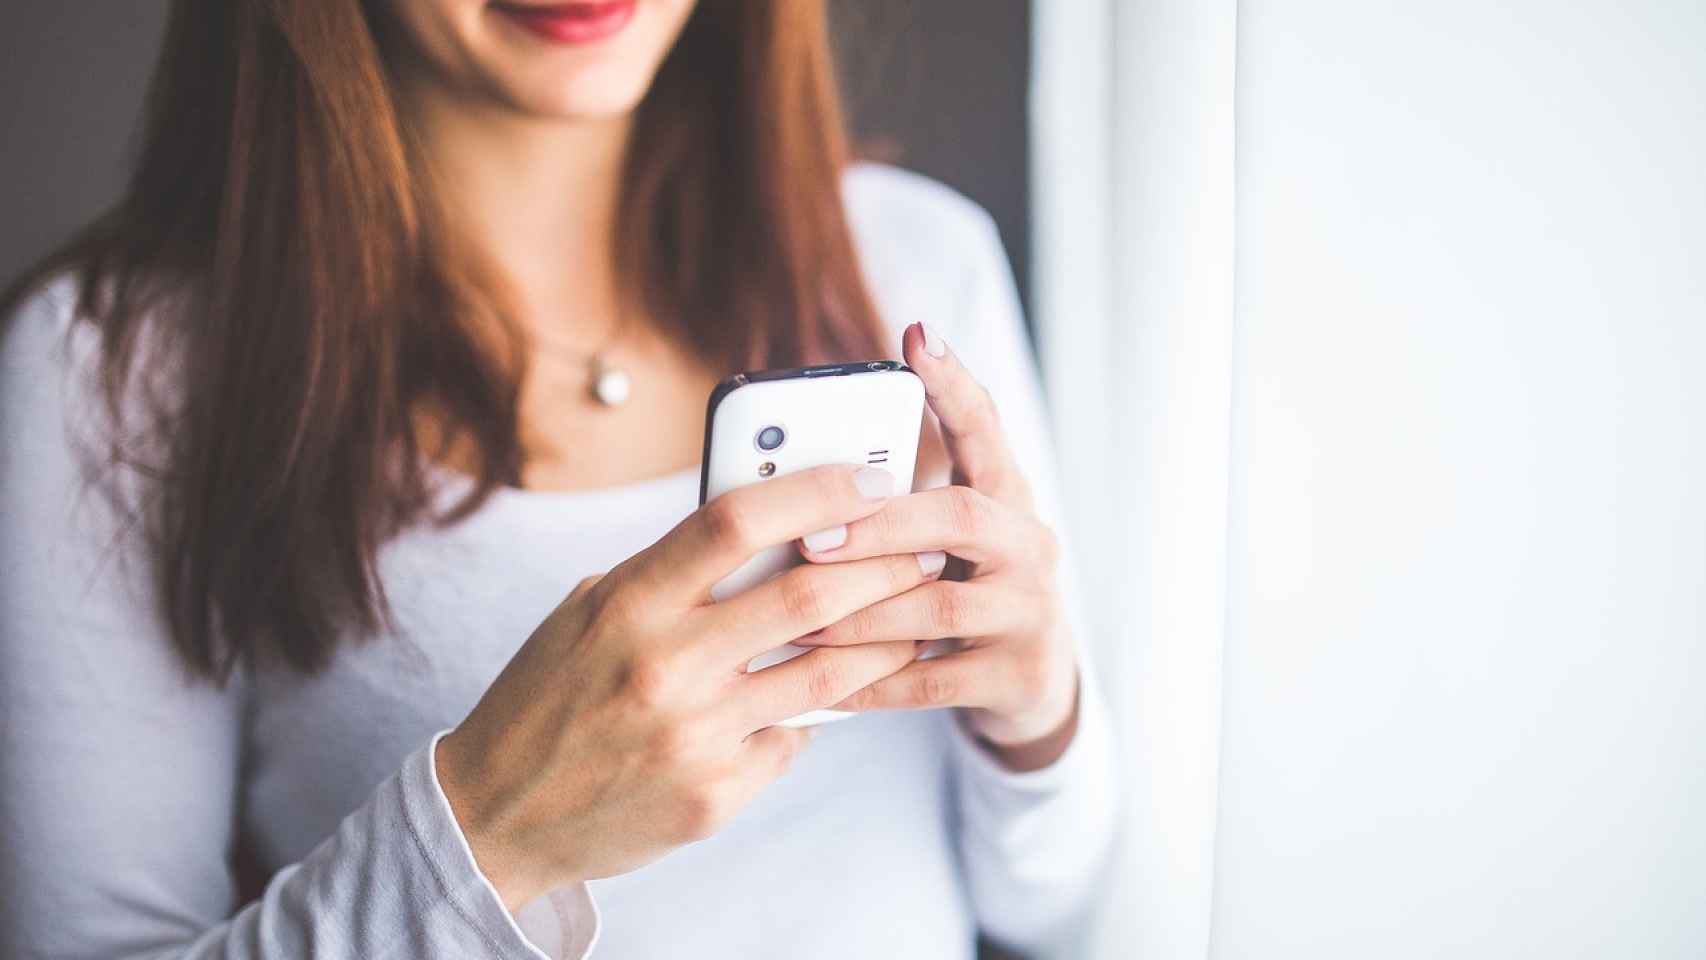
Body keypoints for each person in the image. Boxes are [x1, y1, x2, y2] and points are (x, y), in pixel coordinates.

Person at [0, 1, 1114, 957]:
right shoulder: (112, 370)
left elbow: (1055, 899)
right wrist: (492, 831)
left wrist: (1037, 716)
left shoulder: (918, 267)